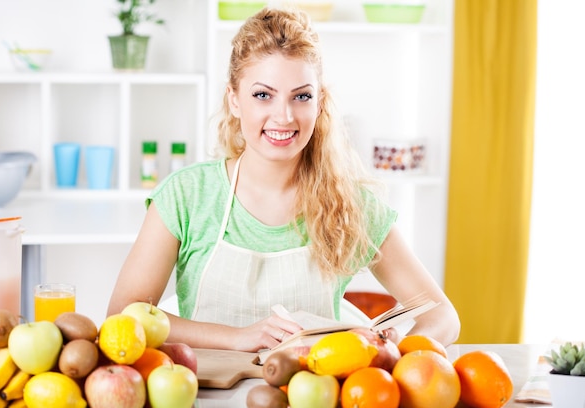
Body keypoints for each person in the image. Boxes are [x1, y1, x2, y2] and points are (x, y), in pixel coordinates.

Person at [107, 7, 460, 352]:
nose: (284, 116)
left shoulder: (350, 205)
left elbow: (443, 315)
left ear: (319, 102)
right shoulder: (187, 196)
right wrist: (235, 337)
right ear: (234, 99)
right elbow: (124, 316)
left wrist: (399, 348)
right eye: (263, 95)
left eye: (301, 96)